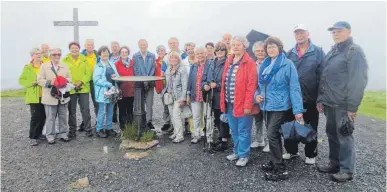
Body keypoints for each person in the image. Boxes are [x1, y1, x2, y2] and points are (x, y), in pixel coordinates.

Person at [317, 21, 368, 182]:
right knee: (331, 134)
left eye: (340, 31)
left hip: (343, 105)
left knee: (344, 136)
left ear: (349, 32)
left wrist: (352, 107)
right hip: (329, 103)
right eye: (333, 32)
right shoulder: (333, 51)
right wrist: (320, 98)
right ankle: (334, 163)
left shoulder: (354, 52)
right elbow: (324, 77)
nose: (336, 34)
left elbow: (358, 81)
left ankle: (347, 170)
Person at [255, 36, 303, 181]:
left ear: (279, 48)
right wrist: (256, 96)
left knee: (271, 134)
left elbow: (294, 87)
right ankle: (275, 160)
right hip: (266, 105)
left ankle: (280, 169)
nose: (270, 49)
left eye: (273, 46)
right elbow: (259, 86)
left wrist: (298, 110)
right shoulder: (265, 64)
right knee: (273, 135)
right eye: (268, 47)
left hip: (280, 105)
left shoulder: (287, 64)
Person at [283, 24, 325, 165]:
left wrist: (321, 98)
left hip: (311, 97)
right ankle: (291, 151)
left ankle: (310, 154)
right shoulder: (290, 53)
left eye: (302, 32)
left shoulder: (318, 52)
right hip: (291, 97)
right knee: (289, 124)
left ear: (308, 34)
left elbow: (323, 76)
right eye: (297, 33)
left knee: (311, 127)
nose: (299, 35)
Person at [220, 36, 258, 167]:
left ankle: (243, 155)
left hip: (243, 104)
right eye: (233, 44)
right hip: (230, 102)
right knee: (234, 130)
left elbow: (251, 86)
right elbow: (224, 82)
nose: (235, 47)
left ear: (244, 46)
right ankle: (236, 151)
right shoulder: (229, 60)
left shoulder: (250, 62)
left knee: (243, 130)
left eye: (238, 44)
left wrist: (248, 105)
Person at [37, 48, 72, 144]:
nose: (56, 56)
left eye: (58, 54)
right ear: (50, 56)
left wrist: (65, 81)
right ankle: (50, 136)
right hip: (49, 96)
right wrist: (50, 82)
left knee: (63, 116)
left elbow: (70, 77)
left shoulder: (64, 66)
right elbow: (39, 80)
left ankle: (63, 134)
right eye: (54, 54)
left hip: (62, 96)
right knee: (50, 117)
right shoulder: (44, 66)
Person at [202, 42, 230, 152]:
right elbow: (207, 77)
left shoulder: (228, 63)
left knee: (223, 118)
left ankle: (224, 141)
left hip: (222, 95)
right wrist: (206, 85)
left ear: (225, 51)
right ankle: (220, 137)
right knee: (217, 118)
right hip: (212, 95)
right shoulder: (211, 63)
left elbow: (228, 80)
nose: (219, 52)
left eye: (222, 50)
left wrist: (217, 85)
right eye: (217, 50)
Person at [62, 42, 93, 138]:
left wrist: (81, 82)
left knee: (85, 109)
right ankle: (72, 131)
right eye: (72, 48)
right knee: (72, 111)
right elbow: (63, 74)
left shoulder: (84, 60)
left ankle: (88, 129)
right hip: (71, 89)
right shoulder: (65, 60)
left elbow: (88, 73)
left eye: (76, 48)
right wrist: (71, 83)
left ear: (79, 49)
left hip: (83, 88)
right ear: (69, 49)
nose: (74, 49)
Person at [18, 47, 46, 146]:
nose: (38, 55)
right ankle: (33, 136)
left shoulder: (45, 65)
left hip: (45, 95)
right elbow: (21, 80)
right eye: (36, 53)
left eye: (39, 53)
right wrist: (31, 82)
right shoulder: (27, 67)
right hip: (34, 96)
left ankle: (39, 134)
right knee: (35, 117)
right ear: (32, 56)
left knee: (43, 116)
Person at [93, 46, 120, 138]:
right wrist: (108, 84)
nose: (105, 54)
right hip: (103, 92)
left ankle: (109, 128)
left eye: (107, 52)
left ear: (109, 54)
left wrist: (116, 77)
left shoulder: (112, 63)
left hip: (112, 91)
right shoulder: (98, 66)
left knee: (110, 111)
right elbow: (96, 80)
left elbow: (117, 75)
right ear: (99, 55)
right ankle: (99, 129)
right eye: (103, 52)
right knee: (101, 111)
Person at [163, 51, 188, 143]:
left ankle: (180, 135)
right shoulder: (169, 68)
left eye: (175, 58)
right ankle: (176, 132)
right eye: (171, 58)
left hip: (178, 96)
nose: (173, 59)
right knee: (172, 115)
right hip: (170, 95)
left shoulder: (182, 69)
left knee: (176, 115)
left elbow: (185, 85)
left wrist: (183, 98)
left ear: (179, 59)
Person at [187, 46, 211, 144]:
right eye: (198, 54)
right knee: (196, 116)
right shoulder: (194, 66)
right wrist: (188, 94)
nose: (200, 55)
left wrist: (208, 85)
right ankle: (197, 135)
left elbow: (211, 78)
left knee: (208, 116)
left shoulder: (210, 64)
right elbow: (190, 82)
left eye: (201, 53)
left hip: (206, 95)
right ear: (195, 55)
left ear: (205, 54)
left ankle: (209, 136)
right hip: (195, 94)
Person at [161, 37, 185, 131]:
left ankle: (181, 133)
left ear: (178, 43)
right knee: (173, 114)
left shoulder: (183, 56)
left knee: (178, 113)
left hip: (179, 92)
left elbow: (184, 80)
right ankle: (177, 131)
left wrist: (184, 95)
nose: (172, 45)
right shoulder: (167, 60)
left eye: (174, 43)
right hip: (171, 92)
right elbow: (163, 73)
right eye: (170, 43)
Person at [250, 41, 270, 152]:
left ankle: (270, 142)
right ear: (254, 52)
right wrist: (255, 95)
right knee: (257, 120)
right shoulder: (252, 64)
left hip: (267, 96)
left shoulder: (270, 63)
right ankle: (259, 140)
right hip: (256, 96)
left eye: (262, 50)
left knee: (268, 121)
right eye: (258, 51)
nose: (260, 52)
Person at [133, 39, 156, 130]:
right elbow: (135, 70)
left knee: (149, 103)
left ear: (147, 45)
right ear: (139, 45)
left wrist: (147, 80)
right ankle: (141, 121)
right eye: (141, 44)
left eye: (144, 44)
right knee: (139, 103)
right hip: (139, 83)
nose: (143, 46)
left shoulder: (152, 55)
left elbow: (153, 68)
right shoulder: (135, 56)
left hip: (150, 82)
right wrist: (142, 80)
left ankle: (149, 121)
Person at [115, 46, 135, 130]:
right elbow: (115, 76)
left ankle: (130, 126)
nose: (124, 53)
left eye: (126, 52)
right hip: (121, 90)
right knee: (122, 109)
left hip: (131, 89)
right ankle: (123, 128)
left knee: (130, 108)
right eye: (122, 52)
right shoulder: (116, 64)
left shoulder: (132, 63)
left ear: (128, 53)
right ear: (120, 53)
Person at [81, 39, 99, 120]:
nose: (90, 46)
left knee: (97, 103)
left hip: (95, 82)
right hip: (84, 82)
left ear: (94, 46)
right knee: (84, 104)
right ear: (85, 46)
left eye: (91, 44)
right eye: (88, 45)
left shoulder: (98, 56)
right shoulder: (81, 56)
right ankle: (84, 122)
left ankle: (98, 121)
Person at [110, 41, 121, 123]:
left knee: (120, 100)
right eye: (113, 46)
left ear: (119, 47)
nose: (114, 48)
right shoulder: (108, 57)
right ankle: (113, 117)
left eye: (116, 46)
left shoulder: (122, 56)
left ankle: (121, 117)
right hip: (110, 82)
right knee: (112, 100)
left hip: (120, 82)